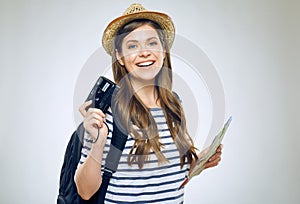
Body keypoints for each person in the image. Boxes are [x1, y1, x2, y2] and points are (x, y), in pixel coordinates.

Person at [74, 3, 223, 203]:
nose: (144, 52)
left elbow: (164, 172)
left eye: (152, 43)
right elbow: (85, 191)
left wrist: (200, 161)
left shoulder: (173, 104)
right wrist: (98, 142)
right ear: (119, 56)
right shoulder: (109, 110)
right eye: (133, 46)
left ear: (163, 50)